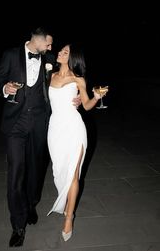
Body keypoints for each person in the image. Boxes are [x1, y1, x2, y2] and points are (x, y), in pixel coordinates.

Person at [0, 27, 81, 247]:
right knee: (15, 173)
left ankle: (31, 203)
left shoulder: (50, 58)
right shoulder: (11, 55)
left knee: (35, 168)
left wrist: (79, 95)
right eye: (49, 44)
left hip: (42, 124)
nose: (51, 48)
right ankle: (18, 225)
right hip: (15, 124)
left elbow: (72, 72)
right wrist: (5, 87)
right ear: (38, 40)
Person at [47, 43, 108, 242]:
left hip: (74, 128)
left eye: (65, 52)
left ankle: (69, 217)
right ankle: (67, 202)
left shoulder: (78, 79)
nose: (60, 53)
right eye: (61, 50)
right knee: (59, 171)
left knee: (74, 173)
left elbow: (88, 105)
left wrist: (96, 97)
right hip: (55, 129)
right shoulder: (50, 75)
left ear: (72, 58)